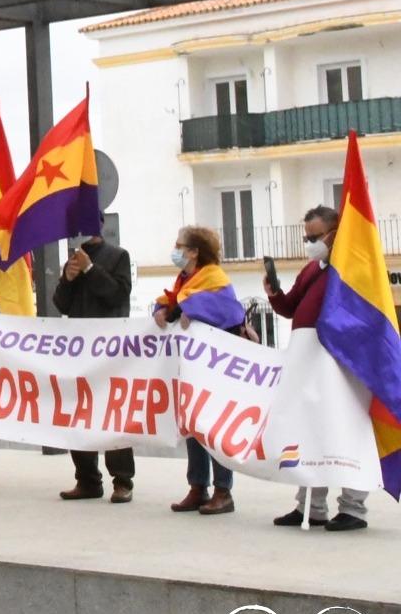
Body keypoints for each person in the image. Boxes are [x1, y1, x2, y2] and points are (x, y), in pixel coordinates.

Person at [265, 205, 369, 532]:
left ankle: (353, 508)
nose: (309, 242)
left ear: (335, 233)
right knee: (310, 430)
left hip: (343, 365)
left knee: (346, 430)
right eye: (306, 236)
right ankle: (310, 506)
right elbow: (291, 306)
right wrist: (274, 294)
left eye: (315, 236)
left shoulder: (353, 267)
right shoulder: (313, 269)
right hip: (309, 363)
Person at [156, 226, 246, 517]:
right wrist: (162, 310)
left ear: (194, 251)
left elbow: (227, 312)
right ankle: (198, 486)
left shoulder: (214, 278)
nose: (176, 250)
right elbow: (175, 301)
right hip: (191, 367)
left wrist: (187, 308)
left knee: (214, 426)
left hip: (215, 366)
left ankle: (223, 490)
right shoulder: (186, 278)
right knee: (193, 424)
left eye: (180, 245)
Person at [52, 231, 136, 503]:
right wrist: (69, 278)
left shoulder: (118, 256)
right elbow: (61, 303)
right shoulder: (72, 261)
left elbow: (117, 295)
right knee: (79, 412)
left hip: (109, 350)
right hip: (78, 350)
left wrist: (90, 269)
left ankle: (122, 480)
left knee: (112, 414)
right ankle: (87, 479)